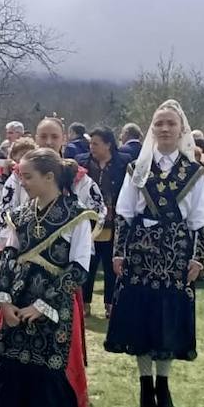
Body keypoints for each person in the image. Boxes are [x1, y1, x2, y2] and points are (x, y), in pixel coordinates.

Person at [0, 148, 95, 407]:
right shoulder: (18, 215)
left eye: (28, 176)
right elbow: (7, 257)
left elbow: (79, 268)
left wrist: (43, 306)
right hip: (17, 308)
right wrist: (4, 302)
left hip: (54, 310)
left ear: (50, 177)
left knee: (51, 379)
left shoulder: (77, 217)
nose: (22, 181)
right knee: (19, 374)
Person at [104, 100, 204, 407]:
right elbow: (123, 213)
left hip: (175, 253)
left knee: (167, 319)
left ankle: (163, 385)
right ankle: (144, 386)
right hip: (140, 253)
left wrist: (198, 257)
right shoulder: (137, 169)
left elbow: (200, 219)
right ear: (152, 129)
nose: (164, 128)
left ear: (180, 131)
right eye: (159, 123)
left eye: (170, 124)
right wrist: (119, 252)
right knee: (142, 319)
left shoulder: (193, 172)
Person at [0, 117, 105, 241]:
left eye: (54, 137)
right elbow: (5, 212)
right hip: (25, 245)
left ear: (64, 139)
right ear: (36, 138)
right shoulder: (20, 174)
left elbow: (97, 211)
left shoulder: (76, 175)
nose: (48, 142)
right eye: (43, 136)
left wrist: (80, 238)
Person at [76, 127, 131, 311]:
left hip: (113, 221)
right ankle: (85, 303)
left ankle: (110, 303)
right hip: (87, 221)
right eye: (90, 143)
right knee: (88, 263)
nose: (91, 147)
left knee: (110, 264)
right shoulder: (81, 162)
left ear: (108, 144)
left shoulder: (123, 163)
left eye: (96, 143)